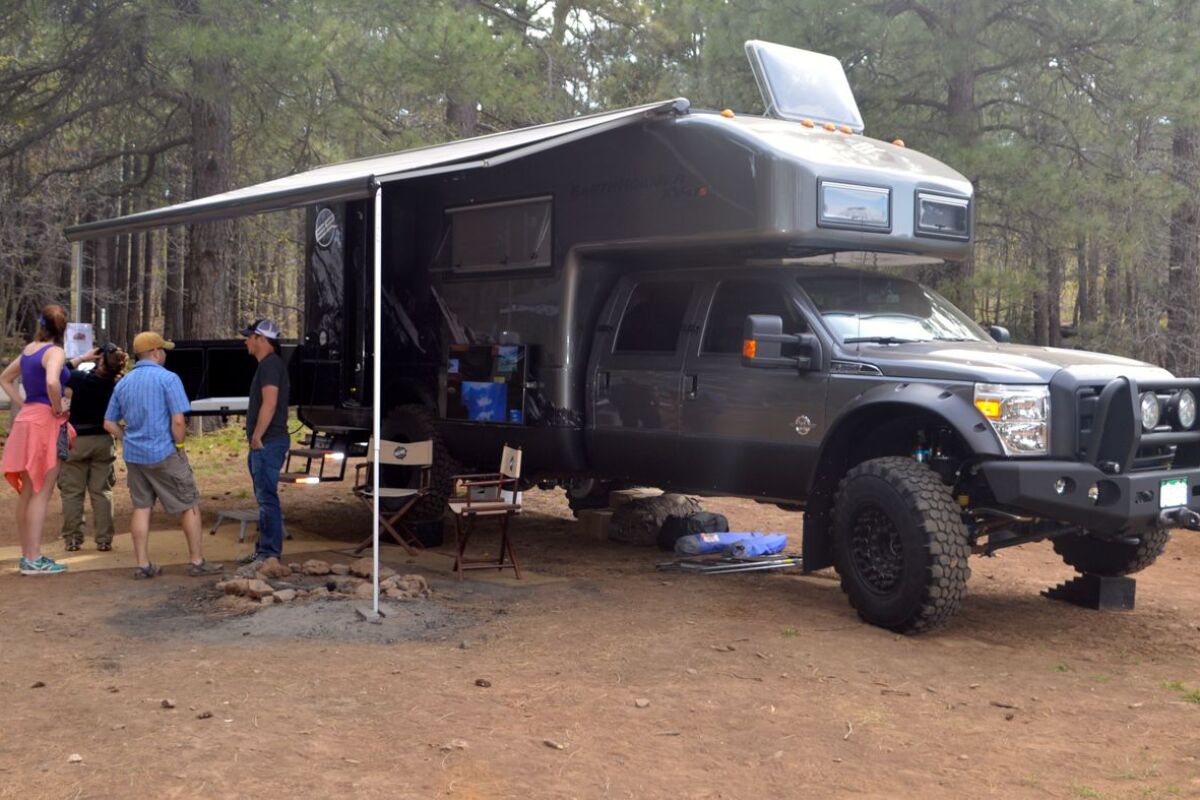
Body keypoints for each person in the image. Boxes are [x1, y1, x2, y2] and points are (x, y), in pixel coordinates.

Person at [102, 331, 222, 579]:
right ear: (156, 352)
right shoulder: (169, 379)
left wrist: (126, 438)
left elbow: (109, 423)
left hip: (135, 456)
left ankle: (143, 565)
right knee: (188, 504)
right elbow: (178, 421)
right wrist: (179, 446)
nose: (165, 353)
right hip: (164, 451)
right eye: (164, 349)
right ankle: (197, 561)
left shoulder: (123, 382)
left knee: (142, 507)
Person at [1, 304, 74, 575]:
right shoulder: (54, 351)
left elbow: (5, 379)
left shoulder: (29, 350)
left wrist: (24, 403)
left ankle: (27, 555)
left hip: (27, 422)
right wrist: (58, 407)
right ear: (62, 329)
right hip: (45, 424)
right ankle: (34, 559)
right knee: (41, 492)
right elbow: (54, 382)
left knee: (29, 491)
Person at [59, 343, 127, 551]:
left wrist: (83, 357)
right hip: (103, 440)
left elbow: (60, 371)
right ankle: (104, 539)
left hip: (76, 440)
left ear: (99, 360)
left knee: (72, 492)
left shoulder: (80, 380)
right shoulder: (118, 385)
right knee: (102, 492)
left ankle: (72, 539)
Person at [238, 319, 290, 566]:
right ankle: (263, 550)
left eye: (250, 336)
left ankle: (269, 553)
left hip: (269, 442)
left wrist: (258, 435)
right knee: (264, 498)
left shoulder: (270, 366)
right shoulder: (268, 366)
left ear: (261, 339)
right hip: (266, 443)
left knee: (267, 498)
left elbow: (269, 403)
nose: (246, 341)